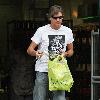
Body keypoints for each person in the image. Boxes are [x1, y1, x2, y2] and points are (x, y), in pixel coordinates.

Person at [27, 5, 74, 100]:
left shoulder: (67, 31)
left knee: (60, 98)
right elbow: (29, 50)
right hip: (43, 70)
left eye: (60, 17)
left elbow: (71, 50)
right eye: (55, 18)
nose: (58, 20)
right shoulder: (41, 31)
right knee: (40, 98)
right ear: (50, 18)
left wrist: (65, 54)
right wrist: (36, 53)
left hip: (59, 71)